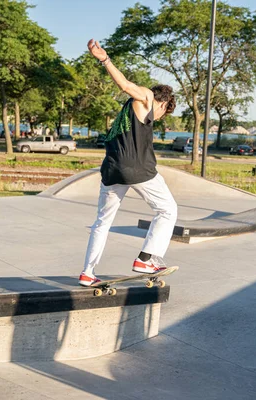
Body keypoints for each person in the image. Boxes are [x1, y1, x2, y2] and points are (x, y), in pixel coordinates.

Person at [79, 39, 178, 287]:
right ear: (163, 103)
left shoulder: (127, 112)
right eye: (164, 112)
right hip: (139, 169)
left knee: (102, 222)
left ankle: (87, 273)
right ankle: (146, 258)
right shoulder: (147, 98)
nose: (159, 117)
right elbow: (125, 84)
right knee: (168, 210)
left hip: (112, 171)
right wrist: (105, 59)